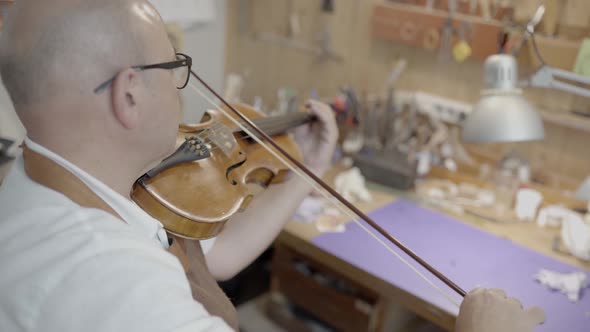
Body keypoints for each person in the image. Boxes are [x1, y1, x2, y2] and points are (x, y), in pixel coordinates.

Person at [0, 0, 544, 331]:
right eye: (175, 66)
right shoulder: (113, 285)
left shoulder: (54, 182)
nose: (185, 87)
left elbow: (220, 255)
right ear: (130, 94)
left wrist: (309, 165)